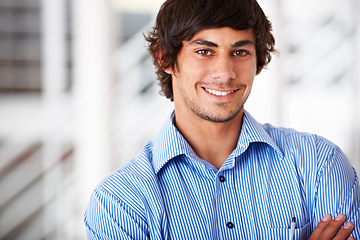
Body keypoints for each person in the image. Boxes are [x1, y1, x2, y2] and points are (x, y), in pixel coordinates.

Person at [84, 0, 360, 239]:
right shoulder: (120, 202)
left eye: (240, 52)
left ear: (258, 61)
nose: (225, 72)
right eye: (204, 51)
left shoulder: (319, 164)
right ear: (164, 56)